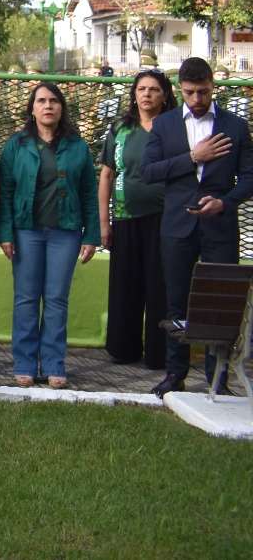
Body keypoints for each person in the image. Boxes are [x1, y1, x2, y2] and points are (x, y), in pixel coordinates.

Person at [141, 57, 253, 395]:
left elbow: (249, 177)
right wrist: (193, 157)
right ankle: (176, 374)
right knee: (176, 301)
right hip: (177, 225)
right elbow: (148, 172)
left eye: (203, 92)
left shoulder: (235, 125)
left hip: (220, 224)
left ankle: (216, 375)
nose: (197, 100)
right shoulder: (165, 124)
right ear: (180, 89)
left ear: (213, 84)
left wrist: (226, 201)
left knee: (220, 302)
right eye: (189, 93)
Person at [0, 82, 100, 388]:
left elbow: (89, 194)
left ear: (62, 107)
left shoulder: (77, 146)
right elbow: (6, 191)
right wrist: (4, 233)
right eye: (41, 100)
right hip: (26, 231)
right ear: (32, 108)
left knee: (56, 299)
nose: (48, 106)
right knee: (26, 299)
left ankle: (54, 364)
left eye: (54, 100)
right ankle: (25, 362)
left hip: (64, 233)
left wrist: (91, 235)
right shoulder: (17, 145)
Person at [97, 70, 174, 369]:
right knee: (125, 285)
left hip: (164, 220)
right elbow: (106, 174)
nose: (147, 95)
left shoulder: (173, 128)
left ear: (165, 95)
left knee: (159, 287)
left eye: (154, 90)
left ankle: (159, 355)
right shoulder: (120, 129)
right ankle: (124, 348)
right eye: (141, 89)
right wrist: (105, 222)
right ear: (133, 94)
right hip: (126, 218)